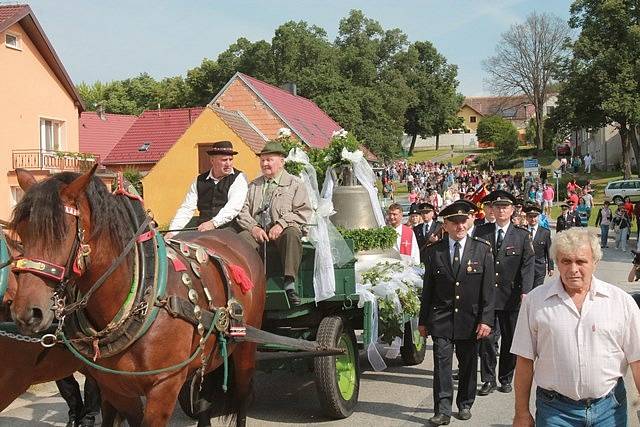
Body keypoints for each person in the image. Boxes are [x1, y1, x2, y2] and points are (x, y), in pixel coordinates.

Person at [511, 227, 640, 427]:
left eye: (581, 261)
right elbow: (524, 360)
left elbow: (637, 359)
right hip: (555, 411)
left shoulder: (621, 302)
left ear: (595, 263)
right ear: (556, 263)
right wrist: (521, 412)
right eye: (566, 261)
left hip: (609, 408)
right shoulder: (535, 301)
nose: (573, 269)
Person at [418, 199, 495, 425]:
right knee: (441, 365)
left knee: (468, 364)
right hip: (441, 319)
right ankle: (442, 409)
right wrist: (423, 322)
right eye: (455, 222)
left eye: (463, 221)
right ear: (446, 225)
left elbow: (488, 292)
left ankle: (465, 403)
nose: (460, 226)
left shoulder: (481, 249)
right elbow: (428, 290)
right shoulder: (434, 252)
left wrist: (486, 320)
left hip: (470, 320)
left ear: (469, 221)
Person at [236, 141, 313, 306]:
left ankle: (289, 283)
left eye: (269, 160)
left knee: (292, 233)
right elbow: (242, 212)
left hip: (283, 229)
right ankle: (244, 286)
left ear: (281, 162)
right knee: (240, 240)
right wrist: (253, 228)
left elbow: (303, 211)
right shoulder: (254, 185)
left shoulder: (294, 184)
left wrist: (281, 224)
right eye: (262, 160)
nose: (265, 164)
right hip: (258, 230)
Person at [475, 190, 535, 397]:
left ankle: (505, 378)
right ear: (491, 209)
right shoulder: (480, 232)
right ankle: (488, 379)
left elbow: (528, 266)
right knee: (487, 340)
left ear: (512, 210)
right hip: (486, 296)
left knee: (510, 341)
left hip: (511, 297)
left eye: (505, 206)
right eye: (497, 206)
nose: (501, 210)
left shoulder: (522, 235)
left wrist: (526, 291)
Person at [167, 141, 248, 237]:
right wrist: (173, 231)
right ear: (212, 160)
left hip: (229, 230)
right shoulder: (199, 180)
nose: (228, 164)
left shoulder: (239, 178)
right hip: (202, 229)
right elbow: (187, 208)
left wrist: (213, 223)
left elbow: (233, 207)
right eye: (224, 160)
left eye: (230, 159)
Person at [523, 204, 553, 288]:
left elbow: (549, 250)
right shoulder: (522, 231)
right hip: (525, 267)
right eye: (530, 216)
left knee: (537, 290)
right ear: (526, 218)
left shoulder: (545, 232)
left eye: (535, 216)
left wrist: (551, 267)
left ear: (538, 217)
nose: (533, 219)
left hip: (539, 267)